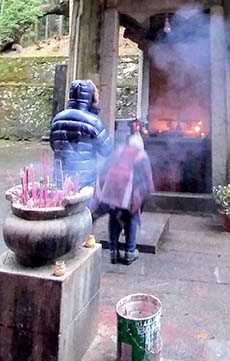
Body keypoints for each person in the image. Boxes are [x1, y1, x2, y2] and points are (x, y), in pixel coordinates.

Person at [94, 119, 154, 265]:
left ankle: (113, 253)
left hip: (112, 192)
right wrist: (143, 196)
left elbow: (104, 170)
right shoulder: (142, 156)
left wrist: (99, 194)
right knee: (132, 219)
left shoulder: (119, 151)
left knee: (114, 219)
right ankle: (129, 253)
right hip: (129, 195)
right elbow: (148, 181)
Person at [49, 79, 113, 189]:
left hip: (60, 179)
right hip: (84, 181)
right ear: (91, 97)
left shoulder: (57, 119)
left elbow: (53, 145)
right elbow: (107, 150)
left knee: (62, 199)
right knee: (83, 201)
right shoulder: (93, 121)